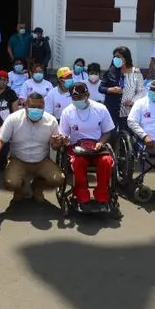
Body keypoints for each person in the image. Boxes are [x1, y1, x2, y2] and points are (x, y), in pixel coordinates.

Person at [0, 92, 65, 204]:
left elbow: (55, 146)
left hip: (42, 160)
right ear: (25, 106)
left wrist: (57, 143)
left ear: (44, 107)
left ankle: (37, 187)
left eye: (39, 107)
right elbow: (0, 139)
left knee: (59, 179)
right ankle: (19, 188)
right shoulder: (13, 119)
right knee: (11, 183)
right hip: (18, 159)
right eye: (32, 107)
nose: (36, 109)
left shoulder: (51, 121)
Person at [57, 82, 117, 213]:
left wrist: (101, 142)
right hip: (77, 148)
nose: (78, 101)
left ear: (88, 95)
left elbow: (107, 132)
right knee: (78, 164)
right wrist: (63, 139)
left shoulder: (100, 109)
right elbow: (64, 135)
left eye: (81, 97)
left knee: (106, 162)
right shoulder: (67, 112)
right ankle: (82, 197)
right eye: (74, 98)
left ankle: (102, 197)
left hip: (97, 146)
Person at [101, 46, 145, 129]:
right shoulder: (111, 71)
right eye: (114, 57)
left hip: (127, 109)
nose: (115, 59)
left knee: (126, 134)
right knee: (111, 134)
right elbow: (101, 88)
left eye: (118, 57)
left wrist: (133, 101)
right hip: (112, 108)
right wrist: (110, 90)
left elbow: (141, 91)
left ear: (126, 58)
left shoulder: (135, 72)